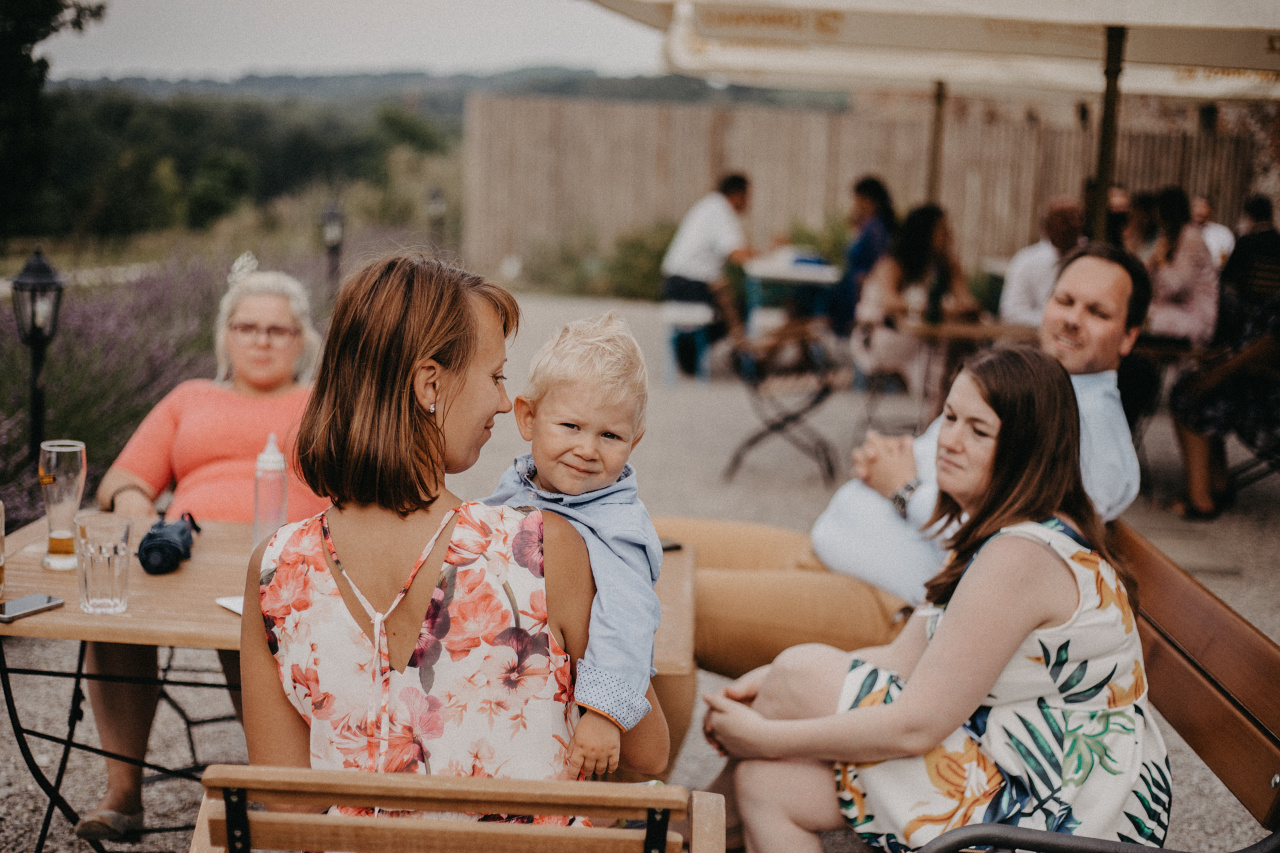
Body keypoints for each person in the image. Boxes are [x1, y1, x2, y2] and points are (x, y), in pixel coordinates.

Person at [241, 254, 668, 816]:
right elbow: (649, 751)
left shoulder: (275, 567)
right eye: (494, 376)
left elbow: (284, 802)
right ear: (429, 384)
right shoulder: (543, 549)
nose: (500, 400)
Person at [701, 345, 1170, 853]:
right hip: (1013, 773)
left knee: (801, 676)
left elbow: (916, 726)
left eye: (978, 430)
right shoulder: (1001, 532)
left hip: (1059, 817)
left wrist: (761, 735)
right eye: (950, 417)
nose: (949, 441)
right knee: (767, 784)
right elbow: (903, 658)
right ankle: (691, 828)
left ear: (1024, 449)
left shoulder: (1022, 555)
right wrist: (765, 682)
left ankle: (685, 830)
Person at [672, 243, 1150, 680]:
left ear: (1128, 336)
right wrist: (889, 460)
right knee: (631, 543)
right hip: (827, 554)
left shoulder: (1092, 437)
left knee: (657, 602)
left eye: (1097, 312)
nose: (1071, 319)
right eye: (1064, 301)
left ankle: (631, 774)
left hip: (888, 605)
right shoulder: (1036, 386)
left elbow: (1015, 556)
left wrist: (901, 489)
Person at [75, 254, 330, 842]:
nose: (261, 341)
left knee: (257, 627)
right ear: (225, 336)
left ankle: (281, 794)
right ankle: (123, 794)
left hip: (286, 568)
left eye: (278, 329)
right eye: (247, 327)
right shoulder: (190, 397)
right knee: (111, 619)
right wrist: (149, 525)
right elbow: (122, 482)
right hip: (184, 563)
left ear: (303, 340)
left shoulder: (325, 401)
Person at [484, 311, 662, 776]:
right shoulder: (519, 486)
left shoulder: (618, 525)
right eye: (571, 427)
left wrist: (604, 716)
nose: (588, 449)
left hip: (592, 689)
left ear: (633, 443)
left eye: (610, 436)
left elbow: (628, 618)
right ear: (528, 417)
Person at [851, 204, 978, 399]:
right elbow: (889, 301)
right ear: (924, 233)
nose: (949, 235)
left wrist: (960, 303)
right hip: (883, 336)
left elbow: (966, 301)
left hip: (921, 338)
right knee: (946, 352)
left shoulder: (947, 265)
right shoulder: (893, 263)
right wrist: (930, 307)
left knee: (958, 347)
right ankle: (939, 406)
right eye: (942, 230)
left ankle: (942, 407)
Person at [662, 173, 755, 374]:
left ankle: (689, 352)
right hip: (689, 283)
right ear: (737, 195)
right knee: (741, 308)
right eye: (747, 196)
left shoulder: (709, 205)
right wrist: (765, 253)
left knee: (729, 303)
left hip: (675, 281)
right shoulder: (721, 211)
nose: (749, 202)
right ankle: (740, 360)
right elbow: (737, 254)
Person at [1146, 186, 1218, 348]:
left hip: (1192, 317)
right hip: (1173, 310)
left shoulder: (1190, 238)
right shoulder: (1172, 238)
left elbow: (1177, 286)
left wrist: (1161, 261)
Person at [998, 199, 1083, 327]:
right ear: (1046, 227)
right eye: (1063, 220)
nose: (1072, 225)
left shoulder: (1089, 261)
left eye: (1076, 218)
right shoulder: (1027, 261)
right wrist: (1058, 321)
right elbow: (1012, 312)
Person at [829, 176, 897, 337]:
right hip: (854, 287)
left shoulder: (875, 228)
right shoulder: (870, 225)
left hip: (859, 290)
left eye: (857, 199)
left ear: (867, 200)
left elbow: (878, 262)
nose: (855, 204)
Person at [1192, 194, 1236, 271]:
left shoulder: (1223, 233)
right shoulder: (1183, 232)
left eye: (1203, 206)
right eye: (1195, 206)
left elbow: (1227, 259)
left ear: (1211, 210)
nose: (1199, 210)